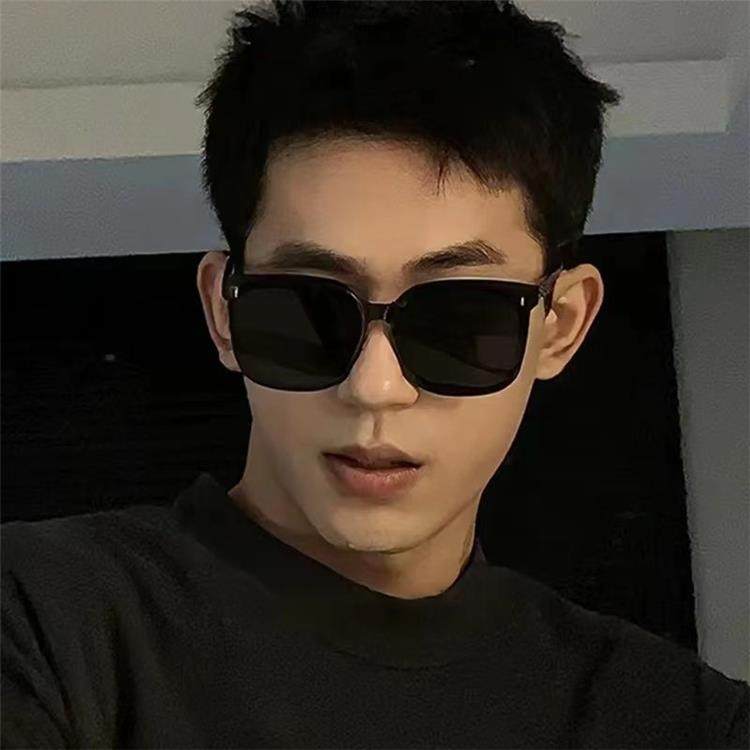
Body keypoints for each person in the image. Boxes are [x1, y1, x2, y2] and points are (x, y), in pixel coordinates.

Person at [2, 1, 747, 747]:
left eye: (458, 318)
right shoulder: (43, 622)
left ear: (560, 325)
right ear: (223, 313)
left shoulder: (685, 722)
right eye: (309, 310)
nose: (375, 387)